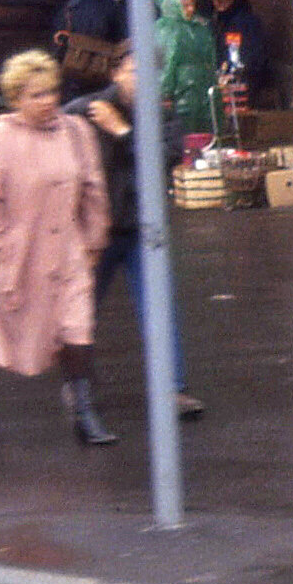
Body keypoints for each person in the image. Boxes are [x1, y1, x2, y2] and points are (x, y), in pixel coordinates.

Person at [0, 49, 117, 447]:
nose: (48, 100)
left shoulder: (76, 131)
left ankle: (85, 414)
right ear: (16, 98)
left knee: (76, 328)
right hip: (10, 254)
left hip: (65, 252)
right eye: (36, 95)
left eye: (52, 91)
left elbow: (93, 189)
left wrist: (93, 242)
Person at [68, 49, 204, 420]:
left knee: (159, 308)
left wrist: (122, 131)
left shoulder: (164, 117)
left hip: (144, 231)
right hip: (96, 232)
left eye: (149, 72)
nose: (142, 79)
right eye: (133, 70)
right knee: (81, 312)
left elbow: (163, 158)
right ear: (116, 72)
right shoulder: (85, 110)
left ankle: (172, 389)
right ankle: (78, 386)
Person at [152, 0, 219, 140]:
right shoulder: (167, 28)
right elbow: (167, 62)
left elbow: (210, 56)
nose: (190, 9)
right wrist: (165, 91)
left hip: (202, 88)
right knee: (183, 130)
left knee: (205, 130)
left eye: (192, 5)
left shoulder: (199, 27)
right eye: (185, 5)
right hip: (181, 90)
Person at [52, 0, 130, 100]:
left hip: (72, 68)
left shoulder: (70, 4)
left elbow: (58, 33)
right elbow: (124, 36)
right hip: (102, 73)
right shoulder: (114, 6)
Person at [206, 0, 273, 108]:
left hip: (245, 81)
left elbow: (255, 54)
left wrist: (239, 73)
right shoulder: (214, 22)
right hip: (221, 80)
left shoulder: (247, 22)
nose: (218, 2)